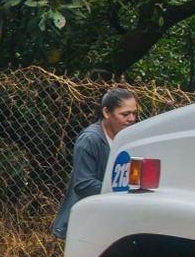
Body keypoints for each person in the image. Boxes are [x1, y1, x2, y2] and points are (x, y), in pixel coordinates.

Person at [54, 87, 140, 237]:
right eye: (125, 114)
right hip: (84, 223)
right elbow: (83, 184)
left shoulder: (128, 138)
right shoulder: (90, 140)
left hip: (113, 221)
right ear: (106, 112)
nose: (132, 119)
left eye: (134, 113)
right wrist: (123, 190)